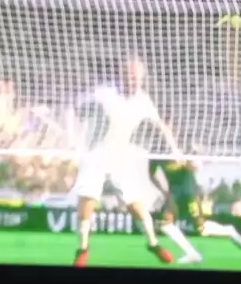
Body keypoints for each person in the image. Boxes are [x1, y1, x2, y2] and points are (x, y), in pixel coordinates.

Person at [73, 59, 177, 267]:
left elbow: (160, 125)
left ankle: (153, 243)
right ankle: (83, 248)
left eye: (137, 77)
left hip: (120, 156)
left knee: (133, 200)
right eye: (130, 75)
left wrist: (176, 149)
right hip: (96, 154)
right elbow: (78, 107)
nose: (133, 80)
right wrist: (76, 137)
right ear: (121, 75)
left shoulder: (143, 101)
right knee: (88, 198)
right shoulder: (104, 93)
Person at [149, 160, 241, 264]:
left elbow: (195, 166)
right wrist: (164, 191)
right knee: (165, 223)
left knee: (200, 228)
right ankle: (191, 253)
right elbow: (151, 172)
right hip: (173, 193)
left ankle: (230, 231)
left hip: (189, 192)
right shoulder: (157, 152)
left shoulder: (183, 150)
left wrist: (185, 162)